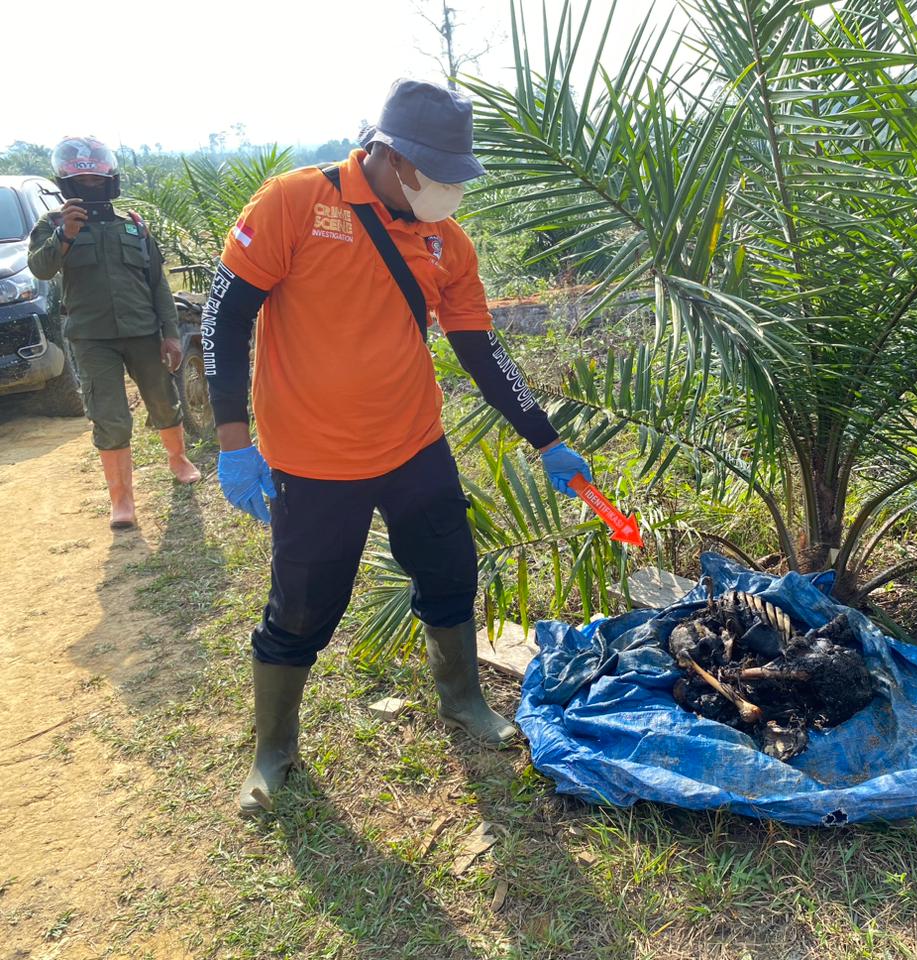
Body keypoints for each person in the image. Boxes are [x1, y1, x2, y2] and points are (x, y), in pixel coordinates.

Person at [202, 79, 592, 815]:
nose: (451, 191)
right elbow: (225, 319)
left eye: (458, 177)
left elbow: (481, 349)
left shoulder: (447, 239)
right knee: (303, 606)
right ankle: (273, 749)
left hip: (414, 443)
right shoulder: (293, 202)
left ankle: (462, 701)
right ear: (392, 157)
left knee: (449, 571)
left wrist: (547, 441)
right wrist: (233, 441)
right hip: (312, 459)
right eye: (440, 176)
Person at [28, 136, 202, 529]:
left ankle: (179, 460)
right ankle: (121, 500)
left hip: (143, 332)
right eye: (81, 180)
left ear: (108, 180)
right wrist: (65, 236)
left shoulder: (134, 226)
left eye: (95, 179)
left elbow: (156, 281)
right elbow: (40, 269)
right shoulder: (52, 225)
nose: (90, 186)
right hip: (91, 338)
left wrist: (170, 333)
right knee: (110, 417)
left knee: (163, 401)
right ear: (67, 183)